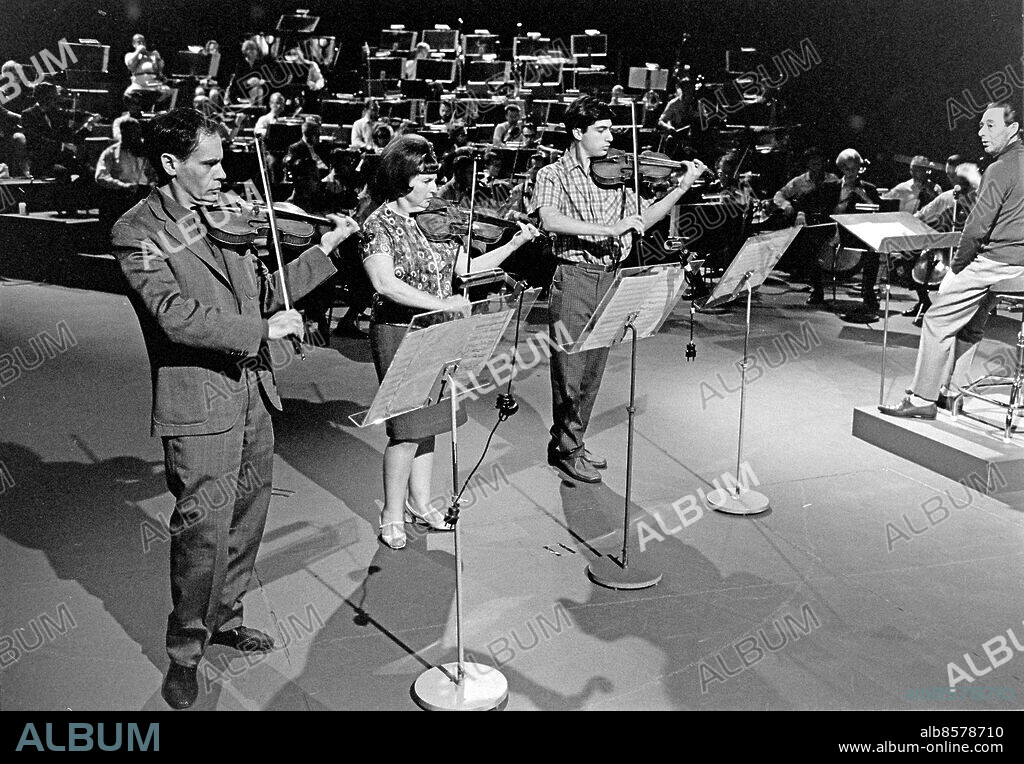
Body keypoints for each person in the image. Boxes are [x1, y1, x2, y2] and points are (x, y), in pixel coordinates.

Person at [112, 107, 359, 708]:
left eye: (225, 160)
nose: (225, 175)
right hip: (199, 401)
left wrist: (321, 251)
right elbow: (174, 315)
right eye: (210, 163)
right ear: (171, 165)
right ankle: (185, 655)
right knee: (202, 533)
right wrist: (261, 328)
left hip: (253, 393)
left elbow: (264, 297)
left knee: (247, 519)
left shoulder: (226, 221)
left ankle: (226, 618)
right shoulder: (137, 231)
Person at [360, 134, 540, 549]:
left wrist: (514, 243)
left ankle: (420, 503)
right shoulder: (378, 225)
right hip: (399, 332)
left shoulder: (433, 222)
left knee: (430, 423)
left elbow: (468, 267)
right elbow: (385, 284)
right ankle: (391, 512)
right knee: (405, 428)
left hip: (441, 328)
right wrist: (442, 302)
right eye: (426, 179)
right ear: (404, 179)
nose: (434, 187)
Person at [531, 95, 705, 482]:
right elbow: (550, 220)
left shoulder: (616, 175)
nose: (611, 137)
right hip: (574, 276)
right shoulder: (552, 175)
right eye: (602, 130)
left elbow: (644, 217)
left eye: (612, 128)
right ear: (578, 132)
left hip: (611, 276)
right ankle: (564, 447)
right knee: (570, 370)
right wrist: (608, 229)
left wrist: (681, 188)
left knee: (593, 371)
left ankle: (572, 440)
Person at [879, 102, 1024, 419]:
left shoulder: (1001, 168)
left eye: (990, 125)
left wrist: (956, 268)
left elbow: (976, 228)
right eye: (981, 125)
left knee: (936, 320)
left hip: (996, 262)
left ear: (1012, 129)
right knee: (969, 327)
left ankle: (921, 399)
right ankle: (952, 394)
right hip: (1020, 268)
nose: (980, 131)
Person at [903, 162, 982, 324]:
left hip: (969, 247)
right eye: (949, 176)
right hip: (943, 245)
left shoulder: (980, 198)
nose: (952, 180)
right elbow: (922, 215)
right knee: (908, 255)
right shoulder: (947, 197)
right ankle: (924, 302)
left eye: (955, 176)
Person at [772, 147, 840, 303]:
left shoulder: (833, 179)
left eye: (819, 162)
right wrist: (786, 206)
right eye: (812, 162)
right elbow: (779, 195)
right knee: (807, 246)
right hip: (807, 224)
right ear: (808, 164)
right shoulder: (799, 181)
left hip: (827, 223)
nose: (816, 165)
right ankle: (817, 288)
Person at [825, 148, 882, 312]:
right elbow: (813, 202)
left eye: (853, 169)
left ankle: (869, 294)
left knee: (873, 252)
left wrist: (864, 196)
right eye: (846, 169)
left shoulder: (868, 188)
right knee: (810, 240)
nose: (850, 173)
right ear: (841, 169)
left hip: (852, 233)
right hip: (831, 229)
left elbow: (879, 212)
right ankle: (818, 291)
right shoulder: (831, 186)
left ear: (859, 169)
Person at [20, 82, 94, 183]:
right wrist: (62, 146)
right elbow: (37, 140)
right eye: (53, 98)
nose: (56, 100)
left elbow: (71, 114)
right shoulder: (28, 114)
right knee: (63, 172)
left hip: (58, 157)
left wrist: (90, 116)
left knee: (89, 172)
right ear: (45, 98)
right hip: (42, 160)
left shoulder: (54, 111)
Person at [94, 116, 155, 227]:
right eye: (130, 133)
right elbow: (101, 176)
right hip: (119, 196)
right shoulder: (111, 153)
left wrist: (152, 185)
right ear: (123, 133)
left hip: (142, 196)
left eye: (137, 133)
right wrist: (122, 185)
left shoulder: (144, 153)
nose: (134, 137)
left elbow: (154, 176)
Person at [123, 33, 173, 110]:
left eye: (143, 42)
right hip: (138, 84)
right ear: (134, 44)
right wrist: (138, 52)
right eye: (139, 42)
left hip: (153, 84)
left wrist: (158, 58)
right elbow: (131, 65)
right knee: (128, 95)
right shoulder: (130, 55)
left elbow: (160, 70)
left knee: (167, 91)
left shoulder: (152, 55)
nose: (141, 43)